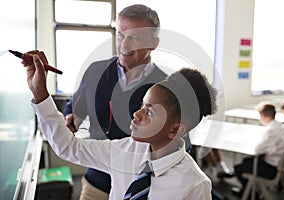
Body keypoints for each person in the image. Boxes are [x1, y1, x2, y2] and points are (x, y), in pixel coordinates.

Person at [23, 52, 217, 199]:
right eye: (142, 105)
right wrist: (40, 93)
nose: (137, 113)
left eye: (149, 111)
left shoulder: (195, 184)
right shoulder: (125, 150)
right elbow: (69, 147)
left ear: (175, 129)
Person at [62, 4, 169, 199]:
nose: (124, 44)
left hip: (141, 190)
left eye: (134, 37)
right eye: (121, 35)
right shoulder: (95, 71)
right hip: (96, 184)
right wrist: (71, 118)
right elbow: (75, 107)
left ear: (154, 43)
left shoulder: (165, 86)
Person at [229, 103, 284, 197]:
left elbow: (258, 150)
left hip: (274, 170)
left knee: (239, 168)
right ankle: (250, 190)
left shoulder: (271, 131)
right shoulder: (280, 126)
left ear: (263, 116)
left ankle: (250, 194)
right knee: (246, 161)